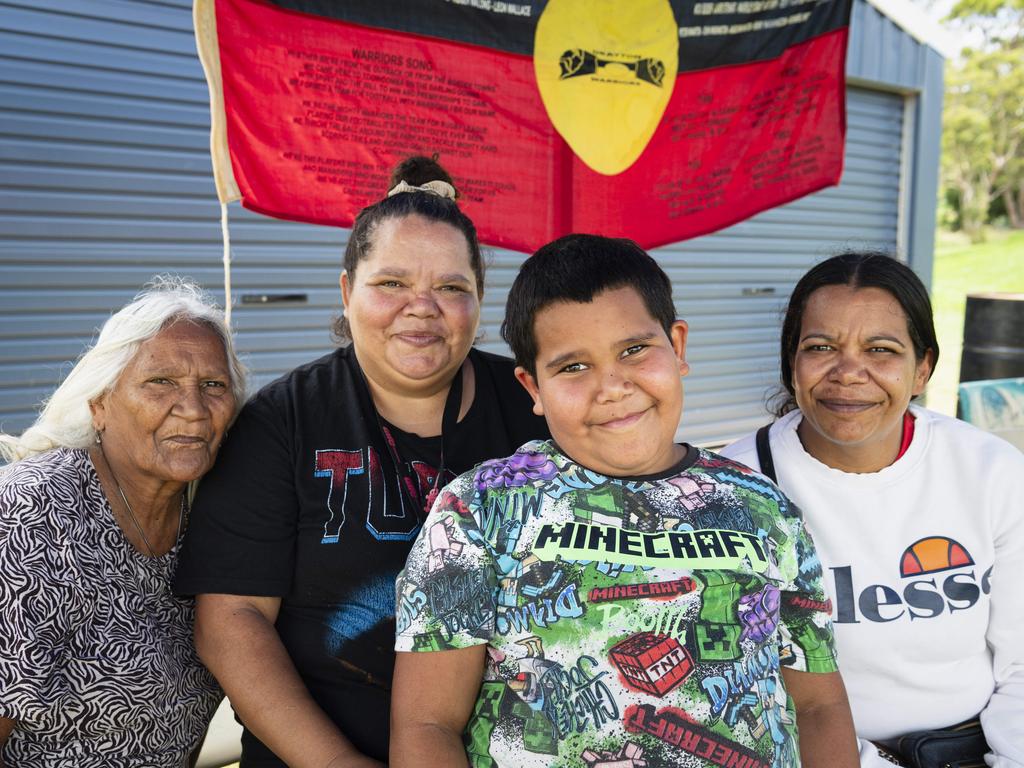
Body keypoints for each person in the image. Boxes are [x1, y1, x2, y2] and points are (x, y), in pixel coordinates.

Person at [391, 234, 859, 768]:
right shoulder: (477, 511)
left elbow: (820, 705)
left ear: (678, 347)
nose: (612, 386)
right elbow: (427, 726)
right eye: (573, 367)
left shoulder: (764, 509)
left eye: (634, 350)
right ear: (532, 387)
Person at [173, 156, 548, 767]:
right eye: (392, 283)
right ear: (348, 292)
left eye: (451, 287)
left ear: (479, 300)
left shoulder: (535, 409)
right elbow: (232, 622)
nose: (421, 307)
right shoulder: (281, 422)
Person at [720, 252, 1024, 767]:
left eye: (880, 350)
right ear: (791, 363)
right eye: (820, 347)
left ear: (923, 367)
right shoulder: (735, 488)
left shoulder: (989, 470)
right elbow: (740, 681)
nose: (849, 374)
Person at [0, 278, 244, 766]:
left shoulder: (213, 518)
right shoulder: (31, 513)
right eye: (161, 382)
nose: (193, 408)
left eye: (213, 386)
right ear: (100, 405)